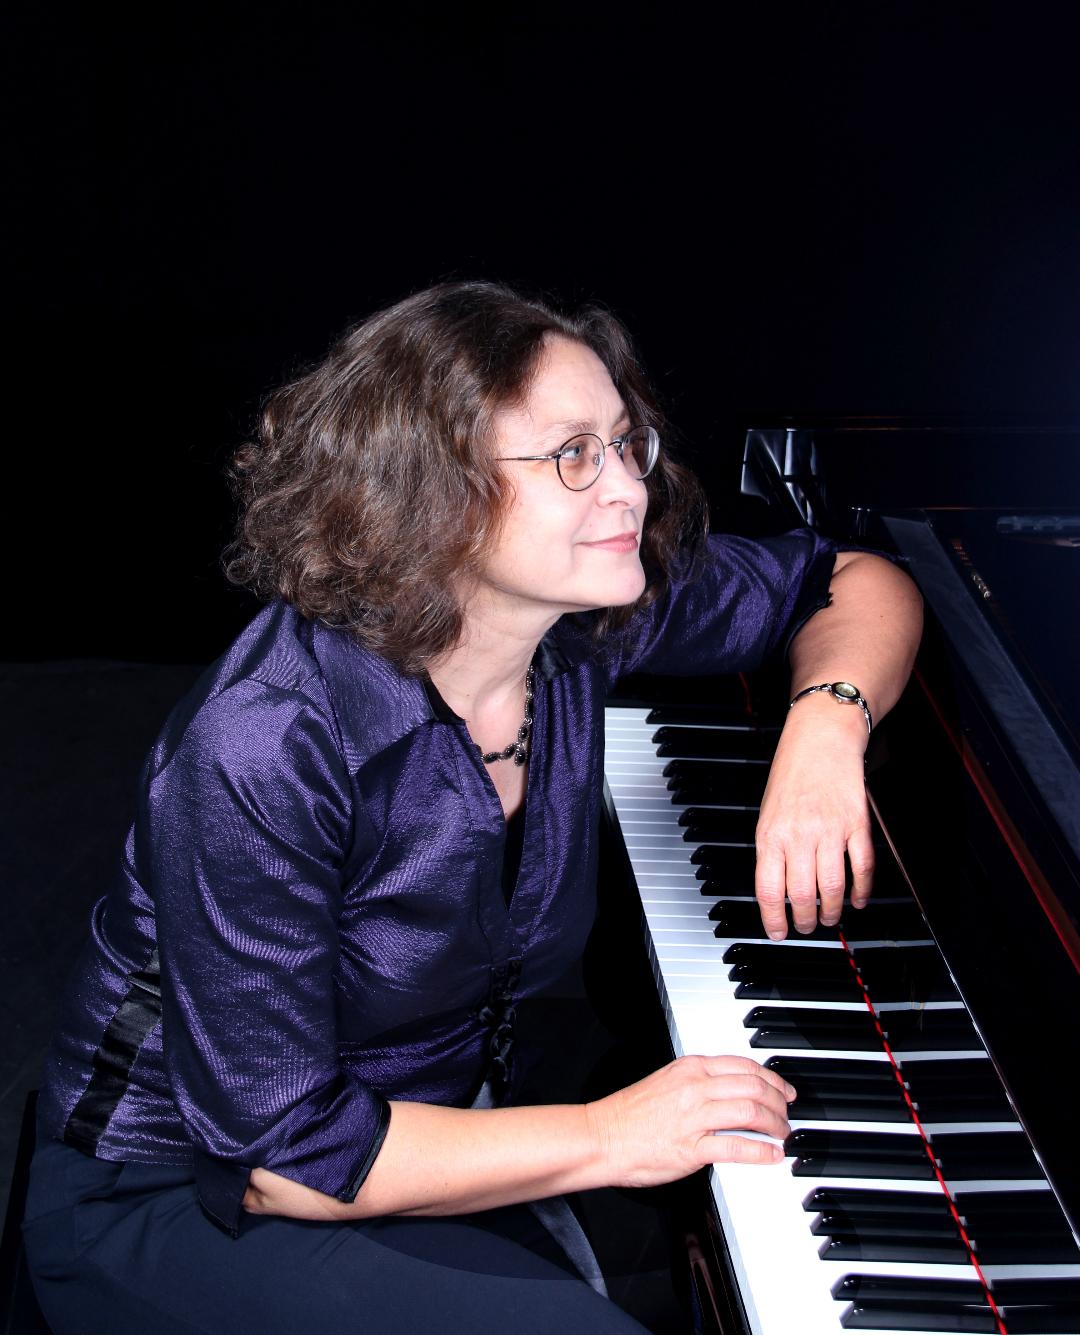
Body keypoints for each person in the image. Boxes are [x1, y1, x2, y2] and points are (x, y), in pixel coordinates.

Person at [23, 281, 923, 1333]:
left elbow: (851, 580)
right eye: (573, 456)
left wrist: (825, 729)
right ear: (435, 494)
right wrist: (610, 1136)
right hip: (185, 1191)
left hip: (419, 1127)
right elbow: (281, 1158)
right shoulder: (262, 742)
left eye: (625, 444)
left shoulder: (583, 617)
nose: (629, 489)